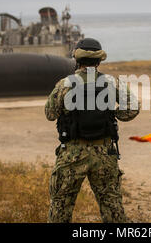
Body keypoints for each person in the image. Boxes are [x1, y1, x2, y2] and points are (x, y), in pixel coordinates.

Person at [45, 38, 140, 223]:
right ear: (99, 61)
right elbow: (132, 108)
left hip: (72, 153)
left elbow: (50, 113)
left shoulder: (65, 83)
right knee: (112, 205)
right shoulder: (112, 82)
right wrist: (111, 111)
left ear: (76, 59)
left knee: (61, 205)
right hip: (104, 153)